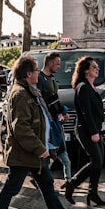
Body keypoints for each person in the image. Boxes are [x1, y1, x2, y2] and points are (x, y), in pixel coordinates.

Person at [0, 55, 85, 209]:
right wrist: (38, 147)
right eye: (35, 70)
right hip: (24, 154)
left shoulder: (30, 91)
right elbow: (21, 127)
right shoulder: (20, 95)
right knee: (11, 189)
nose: (38, 73)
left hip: (34, 154)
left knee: (47, 186)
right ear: (28, 74)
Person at [64, 56, 105, 206]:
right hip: (86, 130)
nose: (98, 68)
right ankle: (72, 184)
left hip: (95, 128)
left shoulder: (91, 86)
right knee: (96, 161)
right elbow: (86, 112)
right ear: (85, 71)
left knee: (99, 161)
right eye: (94, 67)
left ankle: (93, 193)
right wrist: (93, 132)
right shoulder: (82, 87)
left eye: (97, 66)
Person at [38, 52, 73, 181]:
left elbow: (55, 100)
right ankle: (46, 183)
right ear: (50, 63)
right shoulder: (40, 79)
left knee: (63, 156)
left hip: (56, 123)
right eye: (57, 64)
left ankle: (68, 181)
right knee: (47, 156)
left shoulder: (52, 79)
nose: (59, 67)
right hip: (47, 125)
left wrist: (63, 111)